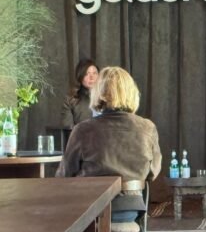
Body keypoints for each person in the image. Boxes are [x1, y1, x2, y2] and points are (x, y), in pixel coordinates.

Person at [56, 66, 161, 222]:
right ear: (132, 92)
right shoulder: (147, 128)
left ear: (98, 93)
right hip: (130, 210)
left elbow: (64, 175)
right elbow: (153, 173)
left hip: (90, 212)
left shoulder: (82, 130)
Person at [60, 58, 99, 128]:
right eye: (87, 74)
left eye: (95, 73)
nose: (91, 77)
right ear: (80, 76)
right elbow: (68, 128)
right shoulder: (71, 100)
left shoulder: (107, 97)